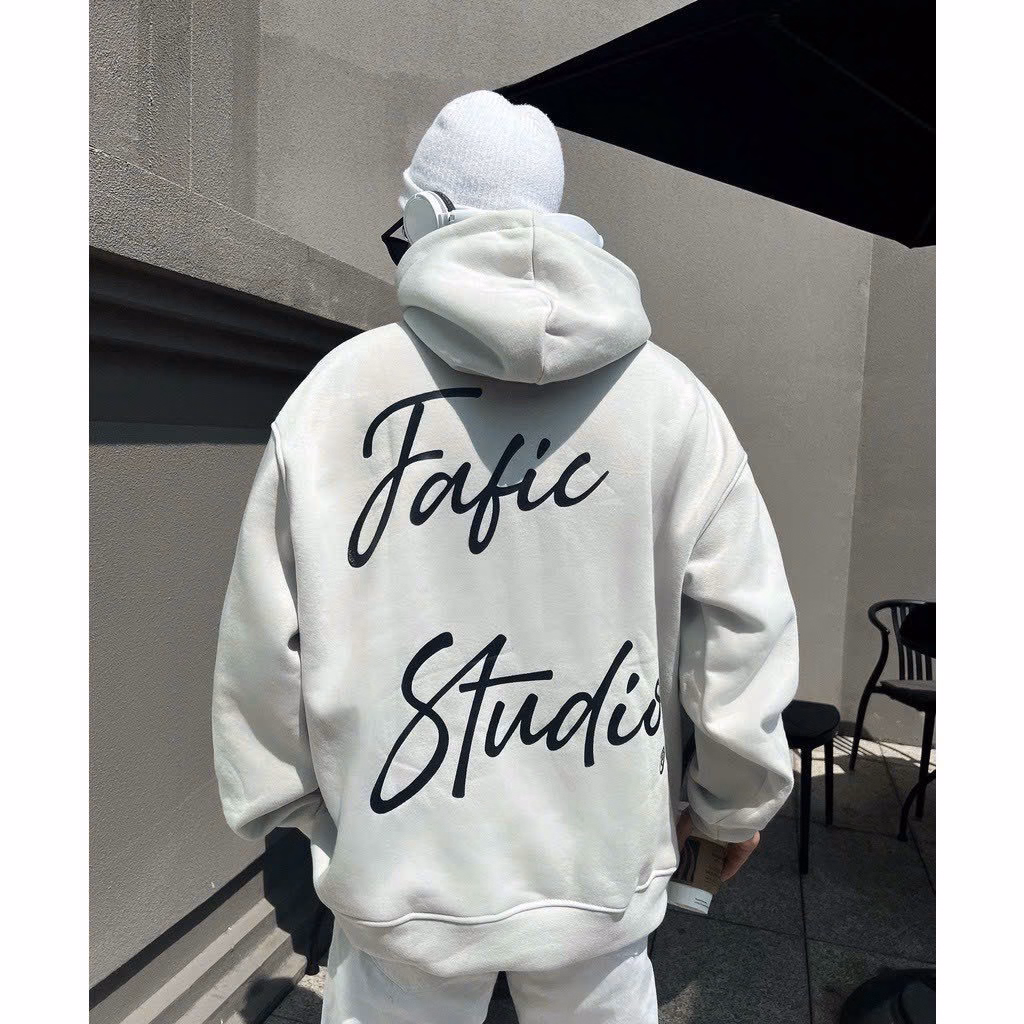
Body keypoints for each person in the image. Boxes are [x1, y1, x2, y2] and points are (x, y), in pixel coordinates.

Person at [211, 89, 798, 1024]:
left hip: (400, 885)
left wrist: (311, 817)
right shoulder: (673, 406)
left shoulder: (335, 399)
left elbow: (263, 649)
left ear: (425, 215)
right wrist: (731, 805)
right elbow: (743, 627)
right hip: (599, 886)